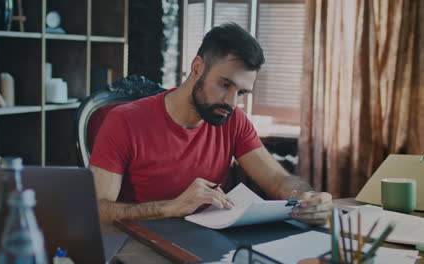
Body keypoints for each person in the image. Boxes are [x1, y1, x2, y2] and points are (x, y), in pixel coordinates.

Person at [89, 23, 332, 226]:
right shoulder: (124, 121)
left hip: (208, 241)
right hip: (142, 244)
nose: (231, 102)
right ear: (197, 68)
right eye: (225, 85)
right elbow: (97, 210)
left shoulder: (232, 120)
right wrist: (172, 207)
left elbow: (278, 181)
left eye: (241, 92)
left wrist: (303, 197)